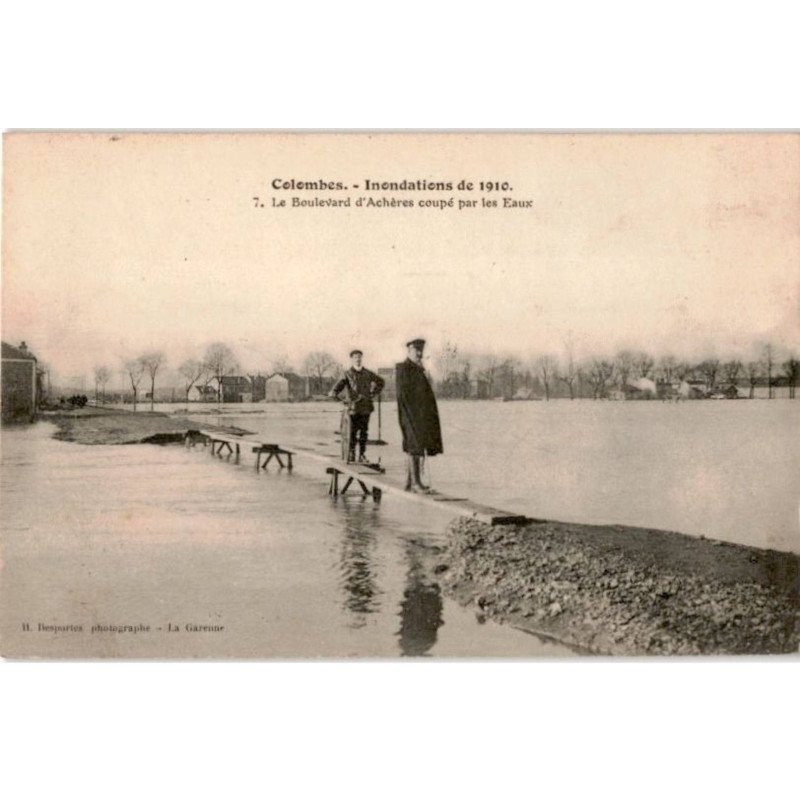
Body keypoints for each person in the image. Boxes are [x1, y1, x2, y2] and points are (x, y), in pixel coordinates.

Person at [396, 338, 443, 492]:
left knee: (415, 444)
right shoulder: (405, 368)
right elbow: (404, 394)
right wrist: (414, 413)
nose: (419, 353)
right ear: (409, 350)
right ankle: (416, 483)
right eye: (416, 350)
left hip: (420, 415)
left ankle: (409, 482)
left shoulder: (417, 368)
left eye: (421, 350)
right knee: (414, 445)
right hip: (411, 414)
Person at [330, 349, 385, 463]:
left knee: (364, 432)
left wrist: (373, 393)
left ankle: (362, 455)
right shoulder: (347, 374)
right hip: (353, 408)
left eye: (359, 357)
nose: (358, 359)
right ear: (352, 359)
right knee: (352, 432)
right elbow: (336, 389)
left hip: (366, 408)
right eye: (355, 357)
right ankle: (351, 453)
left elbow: (381, 382)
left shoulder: (368, 373)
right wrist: (339, 399)